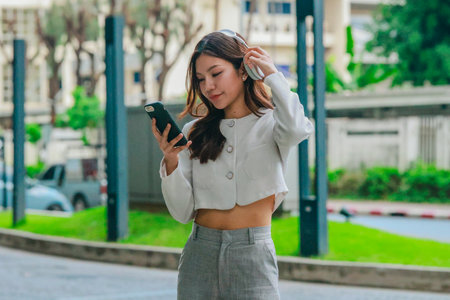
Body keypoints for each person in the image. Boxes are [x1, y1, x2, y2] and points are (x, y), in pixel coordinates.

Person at [151, 30, 313, 300]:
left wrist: (273, 75)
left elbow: (298, 129)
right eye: (201, 79)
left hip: (253, 255)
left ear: (243, 70)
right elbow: (182, 212)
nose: (208, 86)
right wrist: (171, 161)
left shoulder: (273, 124)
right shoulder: (194, 132)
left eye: (216, 74)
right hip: (199, 254)